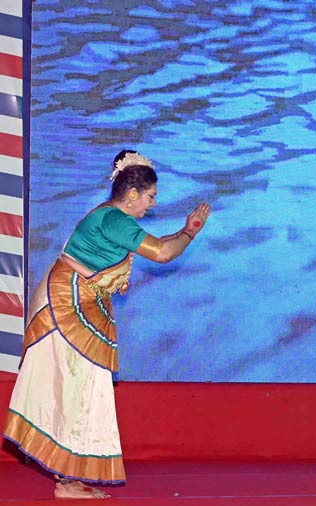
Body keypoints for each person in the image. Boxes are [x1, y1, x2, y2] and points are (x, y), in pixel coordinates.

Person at [2, 150, 210, 499]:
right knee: (74, 388)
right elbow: (162, 253)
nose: (151, 205)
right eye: (150, 197)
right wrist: (191, 230)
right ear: (132, 194)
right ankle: (65, 481)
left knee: (82, 388)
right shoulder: (116, 220)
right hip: (67, 304)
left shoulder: (112, 218)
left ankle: (67, 478)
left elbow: (159, 245)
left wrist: (183, 231)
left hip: (77, 300)